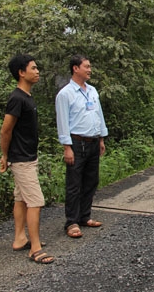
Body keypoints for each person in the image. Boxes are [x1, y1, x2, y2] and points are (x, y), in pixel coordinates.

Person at [0, 54, 55, 264]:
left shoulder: (27, 97)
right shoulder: (17, 98)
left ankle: (19, 239)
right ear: (21, 73)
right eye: (33, 68)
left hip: (27, 157)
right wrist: (5, 156)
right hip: (20, 159)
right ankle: (35, 247)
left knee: (21, 198)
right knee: (36, 201)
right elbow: (6, 131)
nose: (37, 71)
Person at [55, 55, 108, 238]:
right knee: (74, 183)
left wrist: (101, 138)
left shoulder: (92, 90)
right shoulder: (66, 94)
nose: (89, 69)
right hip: (76, 143)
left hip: (93, 141)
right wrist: (67, 147)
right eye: (86, 66)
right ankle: (72, 222)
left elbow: (98, 115)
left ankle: (85, 216)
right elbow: (62, 121)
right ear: (75, 68)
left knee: (91, 181)